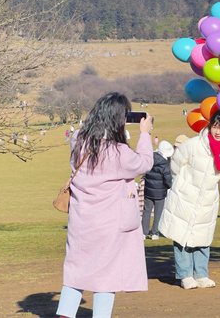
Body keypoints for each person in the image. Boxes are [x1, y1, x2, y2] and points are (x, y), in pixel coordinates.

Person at [56, 92, 154, 318]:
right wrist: (144, 134)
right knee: (107, 276)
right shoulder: (118, 152)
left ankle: (65, 314)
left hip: (81, 220)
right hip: (109, 223)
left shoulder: (78, 140)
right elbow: (145, 163)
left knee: (75, 271)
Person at [158, 111, 220, 290]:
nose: (218, 132)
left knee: (203, 236)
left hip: (208, 199)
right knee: (181, 236)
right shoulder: (193, 144)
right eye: (215, 127)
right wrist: (182, 185)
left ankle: (201, 274)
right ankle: (185, 275)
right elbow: (176, 164)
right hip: (185, 196)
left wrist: (213, 192)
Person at [141, 139, 174, 240]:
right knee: (158, 213)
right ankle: (155, 233)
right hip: (160, 193)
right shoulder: (165, 164)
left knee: (146, 212)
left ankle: (144, 232)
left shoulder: (150, 158)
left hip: (148, 190)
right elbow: (167, 179)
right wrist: (169, 186)